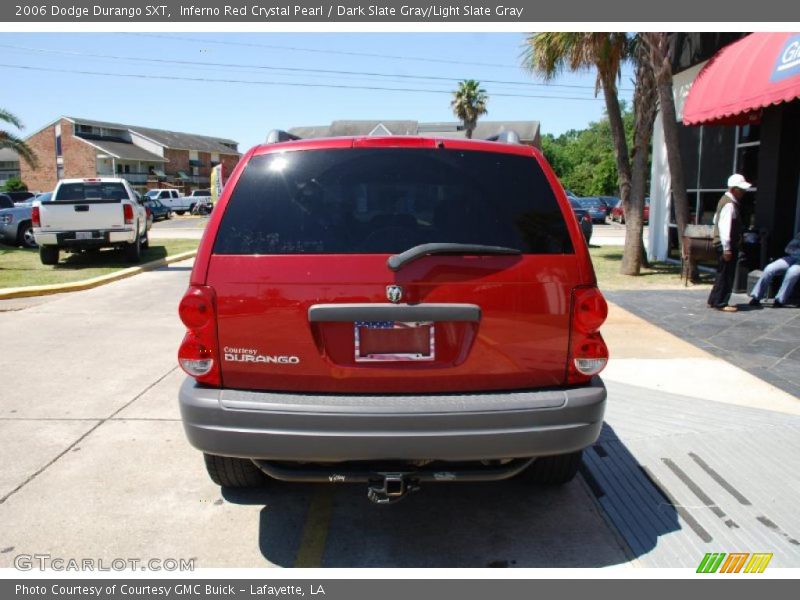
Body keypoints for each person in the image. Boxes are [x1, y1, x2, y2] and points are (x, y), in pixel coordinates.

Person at [707, 174, 752, 312]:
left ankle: (714, 300)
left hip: (722, 244)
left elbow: (715, 219)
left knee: (721, 273)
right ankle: (721, 302)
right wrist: (727, 248)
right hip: (726, 245)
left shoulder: (725, 201)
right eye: (741, 190)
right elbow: (725, 227)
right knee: (726, 275)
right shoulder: (729, 204)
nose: (743, 193)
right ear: (733, 189)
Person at [749, 231, 800, 307]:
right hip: (793, 257)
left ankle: (779, 300)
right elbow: (788, 249)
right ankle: (756, 297)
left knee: (792, 272)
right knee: (770, 268)